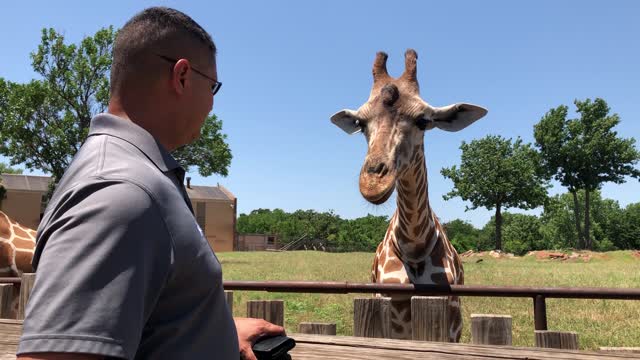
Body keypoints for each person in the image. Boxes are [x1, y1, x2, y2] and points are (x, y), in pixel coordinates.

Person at [17, 7, 284, 360]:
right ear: (183, 76)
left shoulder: (136, 177)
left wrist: (211, 330)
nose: (212, 104)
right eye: (213, 86)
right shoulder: (122, 193)